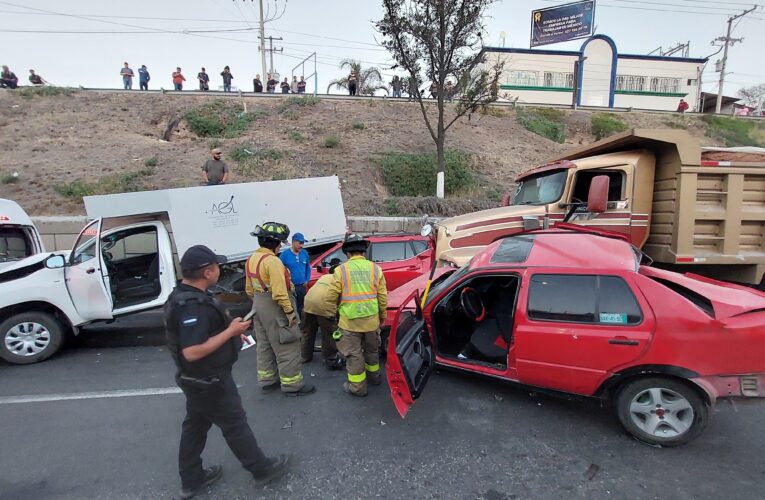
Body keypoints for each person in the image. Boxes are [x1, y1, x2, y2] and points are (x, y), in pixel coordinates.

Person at [165, 245, 291, 499]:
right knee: (234, 424)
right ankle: (261, 469)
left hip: (196, 380)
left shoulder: (184, 294)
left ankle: (191, 480)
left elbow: (205, 334)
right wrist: (229, 332)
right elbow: (192, 351)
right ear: (207, 271)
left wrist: (233, 334)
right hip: (209, 380)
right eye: (216, 266)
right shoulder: (192, 305)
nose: (219, 270)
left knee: (195, 427)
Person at [246, 222, 315, 396]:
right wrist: (290, 312)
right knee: (287, 344)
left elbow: (248, 289)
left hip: (258, 305)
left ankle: (268, 380)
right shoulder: (272, 262)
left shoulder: (251, 259)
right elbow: (279, 292)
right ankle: (292, 385)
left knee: (265, 344)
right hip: (275, 306)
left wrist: (259, 304)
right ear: (275, 243)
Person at [326, 234, 387, 397]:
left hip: (349, 323)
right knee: (372, 351)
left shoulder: (340, 270)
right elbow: (382, 296)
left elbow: (331, 296)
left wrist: (332, 314)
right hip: (371, 321)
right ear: (364, 252)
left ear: (346, 253)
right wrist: (382, 316)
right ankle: (374, 378)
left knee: (354, 355)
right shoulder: (376, 269)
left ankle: (358, 388)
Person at [301, 258, 344, 370]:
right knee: (329, 334)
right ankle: (330, 358)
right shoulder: (341, 280)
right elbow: (341, 301)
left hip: (308, 304)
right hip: (324, 306)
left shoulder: (324, 277)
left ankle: (305, 356)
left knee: (308, 331)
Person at [279, 232, 311, 320]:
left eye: (303, 243)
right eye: (300, 243)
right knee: (293, 307)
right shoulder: (284, 255)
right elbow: (279, 271)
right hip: (290, 287)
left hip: (302, 286)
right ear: (293, 242)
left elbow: (308, 267)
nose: (302, 245)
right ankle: (296, 324)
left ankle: (304, 325)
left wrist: (307, 279)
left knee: (303, 307)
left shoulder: (304, 253)